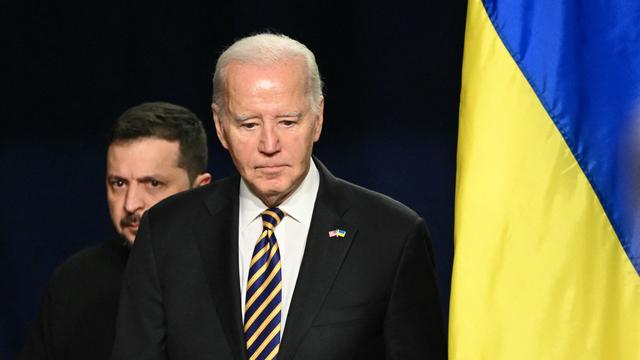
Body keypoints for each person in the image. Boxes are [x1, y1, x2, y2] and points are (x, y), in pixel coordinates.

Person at [111, 34, 446, 360]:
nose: (269, 145)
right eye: (248, 124)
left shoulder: (391, 236)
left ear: (317, 119)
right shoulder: (167, 233)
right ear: (220, 125)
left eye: (287, 122)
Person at [18, 102, 212, 360]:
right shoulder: (75, 283)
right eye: (119, 183)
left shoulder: (237, 276)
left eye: (153, 183)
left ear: (199, 189)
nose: (131, 203)